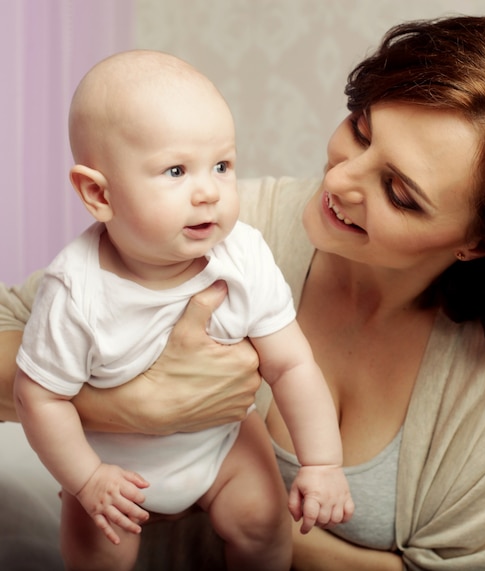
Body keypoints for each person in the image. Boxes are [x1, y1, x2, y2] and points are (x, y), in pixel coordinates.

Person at [1, 13, 485, 571]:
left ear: (478, 242)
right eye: (360, 128)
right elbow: (17, 329)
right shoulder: (222, 231)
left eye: (399, 192)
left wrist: (263, 525)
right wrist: (127, 405)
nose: (340, 178)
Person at [10, 50, 353, 571]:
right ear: (98, 193)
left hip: (222, 444)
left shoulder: (243, 254)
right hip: (112, 463)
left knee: (262, 524)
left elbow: (291, 365)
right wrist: (85, 478)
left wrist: (323, 463)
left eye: (222, 165)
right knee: (100, 554)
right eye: (176, 170)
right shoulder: (77, 290)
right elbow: (38, 395)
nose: (208, 192)